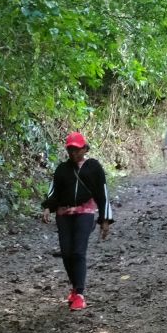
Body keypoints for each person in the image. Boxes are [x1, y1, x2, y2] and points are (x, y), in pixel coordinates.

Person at [42, 132, 113, 311]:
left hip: (85, 212)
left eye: (77, 149)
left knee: (78, 252)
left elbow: (103, 193)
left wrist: (105, 219)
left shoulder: (94, 167)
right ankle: (74, 287)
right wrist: (47, 207)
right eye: (70, 149)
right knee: (66, 253)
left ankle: (80, 294)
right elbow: (53, 191)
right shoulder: (62, 169)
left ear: (85, 149)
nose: (73, 153)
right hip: (63, 213)